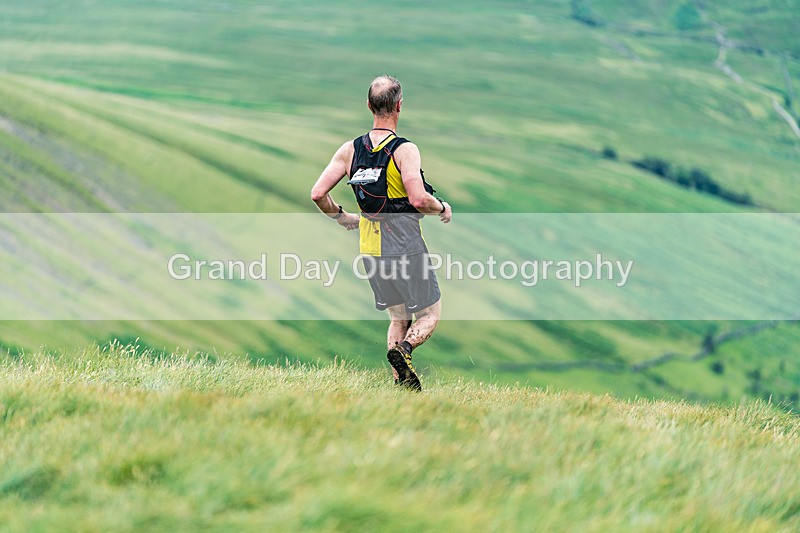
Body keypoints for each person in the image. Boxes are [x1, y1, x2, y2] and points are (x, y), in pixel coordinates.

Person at [311, 75, 452, 391]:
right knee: (430, 314)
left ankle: (400, 384)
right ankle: (404, 350)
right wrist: (442, 207)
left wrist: (342, 217)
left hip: (370, 246)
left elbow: (318, 193)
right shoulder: (404, 149)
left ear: (368, 106)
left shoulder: (350, 150)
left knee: (398, 317)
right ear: (399, 106)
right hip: (404, 243)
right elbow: (417, 198)